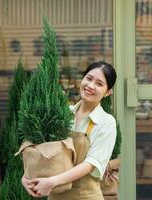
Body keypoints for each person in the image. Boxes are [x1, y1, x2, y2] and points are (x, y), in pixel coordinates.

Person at [21, 61, 117, 199]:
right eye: (88, 79)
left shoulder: (106, 122)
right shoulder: (63, 114)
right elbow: (40, 147)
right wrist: (26, 176)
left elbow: (90, 164)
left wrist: (52, 182)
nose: (90, 86)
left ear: (108, 92)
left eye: (99, 83)